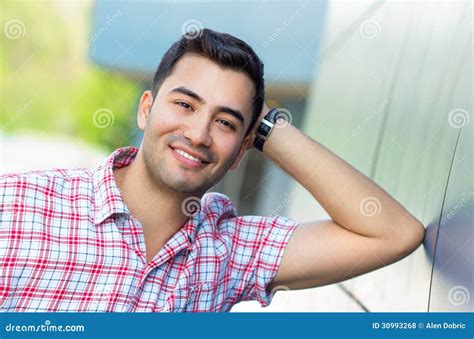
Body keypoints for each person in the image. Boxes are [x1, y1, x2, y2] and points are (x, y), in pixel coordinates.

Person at [0, 29, 425, 312]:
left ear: (242, 150)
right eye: (185, 105)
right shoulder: (17, 207)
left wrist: (267, 127)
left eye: (225, 122)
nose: (200, 134)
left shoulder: (231, 252)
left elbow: (393, 232)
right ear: (146, 109)